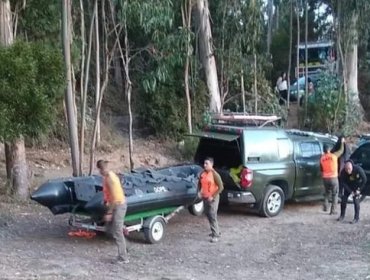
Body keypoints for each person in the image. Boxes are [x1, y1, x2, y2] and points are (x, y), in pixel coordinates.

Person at [96, 160, 129, 264]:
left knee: (117, 230)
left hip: (118, 205)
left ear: (101, 169)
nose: (100, 172)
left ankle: (123, 257)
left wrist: (109, 213)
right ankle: (124, 248)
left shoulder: (111, 179)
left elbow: (115, 199)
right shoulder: (109, 175)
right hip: (116, 204)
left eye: (100, 170)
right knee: (110, 228)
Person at [199, 157, 224, 243]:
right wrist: (199, 192)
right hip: (205, 197)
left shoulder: (214, 174)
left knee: (212, 215)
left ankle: (215, 235)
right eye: (204, 163)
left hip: (213, 198)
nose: (204, 165)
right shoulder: (203, 173)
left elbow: (221, 187)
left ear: (211, 164)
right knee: (208, 214)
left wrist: (213, 196)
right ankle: (216, 230)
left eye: (207, 163)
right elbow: (200, 184)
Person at [320, 139, 344, 214]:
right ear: (329, 149)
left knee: (327, 193)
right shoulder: (334, 156)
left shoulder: (322, 158)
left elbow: (321, 169)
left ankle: (325, 207)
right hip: (333, 178)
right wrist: (342, 143)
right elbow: (341, 151)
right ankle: (333, 211)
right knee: (335, 194)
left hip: (325, 178)